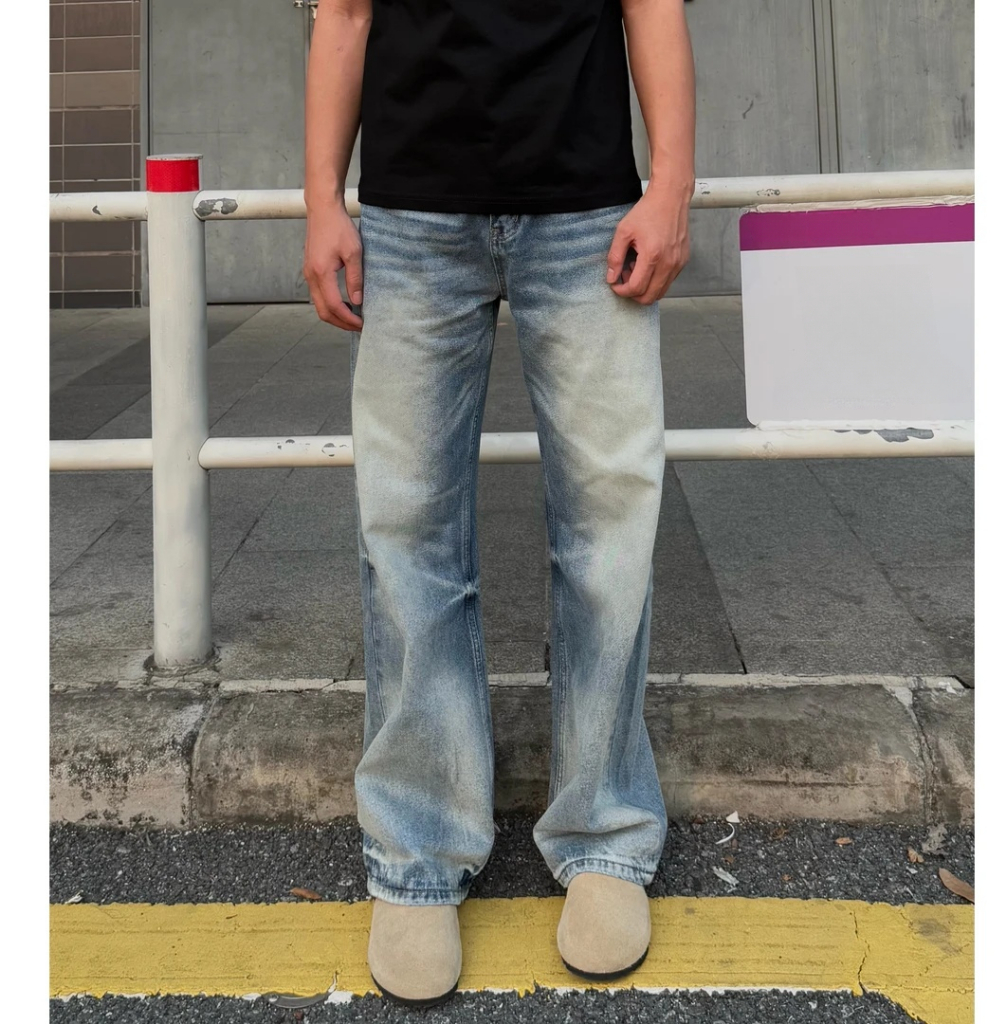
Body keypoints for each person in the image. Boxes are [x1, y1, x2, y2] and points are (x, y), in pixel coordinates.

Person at [303, 0, 695, 1008]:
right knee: (406, 532)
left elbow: (651, 5)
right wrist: (321, 201)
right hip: (411, 215)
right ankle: (417, 848)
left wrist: (671, 187)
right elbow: (344, 14)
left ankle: (606, 834)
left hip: (588, 207)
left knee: (610, 529)